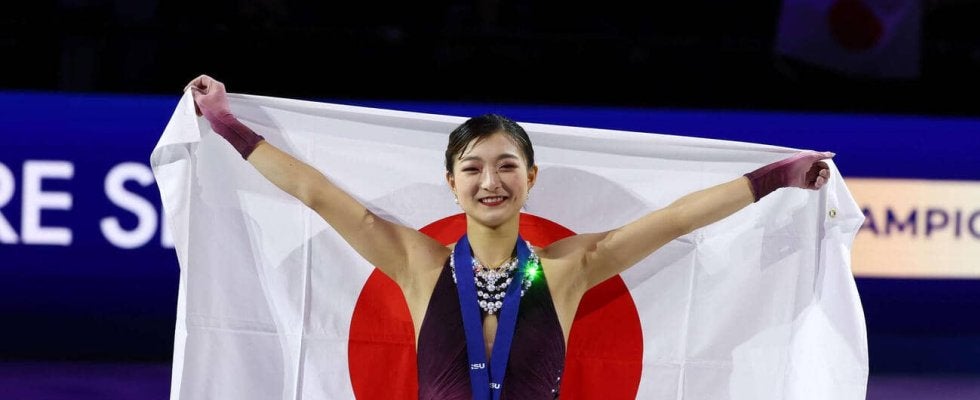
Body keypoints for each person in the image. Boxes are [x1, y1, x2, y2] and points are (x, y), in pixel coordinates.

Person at [185, 74, 833, 400]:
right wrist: (225, 122)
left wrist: (777, 176)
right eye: (473, 168)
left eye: (505, 166)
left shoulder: (569, 268)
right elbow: (316, 194)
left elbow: (676, 219)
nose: (489, 181)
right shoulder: (418, 264)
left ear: (530, 178)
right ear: (451, 182)